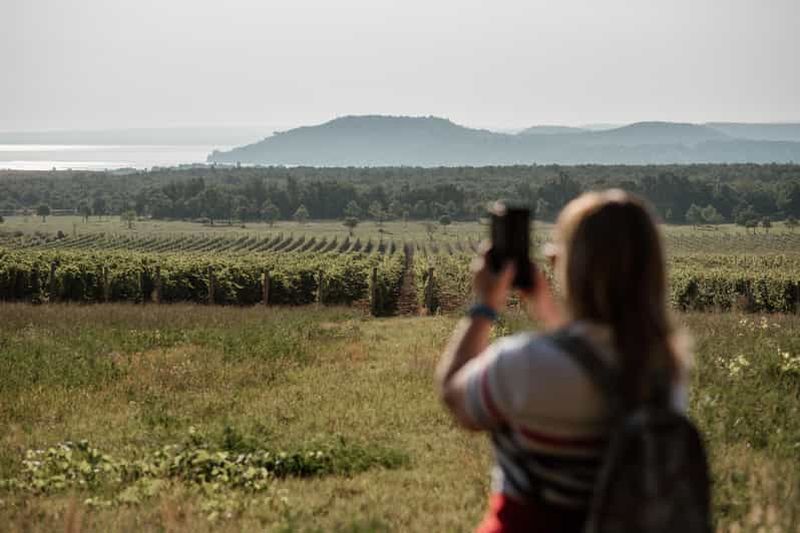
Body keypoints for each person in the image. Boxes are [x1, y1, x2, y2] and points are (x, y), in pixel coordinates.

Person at [436, 189, 691, 533]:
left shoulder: (525, 363)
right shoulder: (665, 369)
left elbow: (455, 396)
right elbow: (587, 362)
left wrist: (484, 305)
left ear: (569, 266)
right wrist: (549, 310)